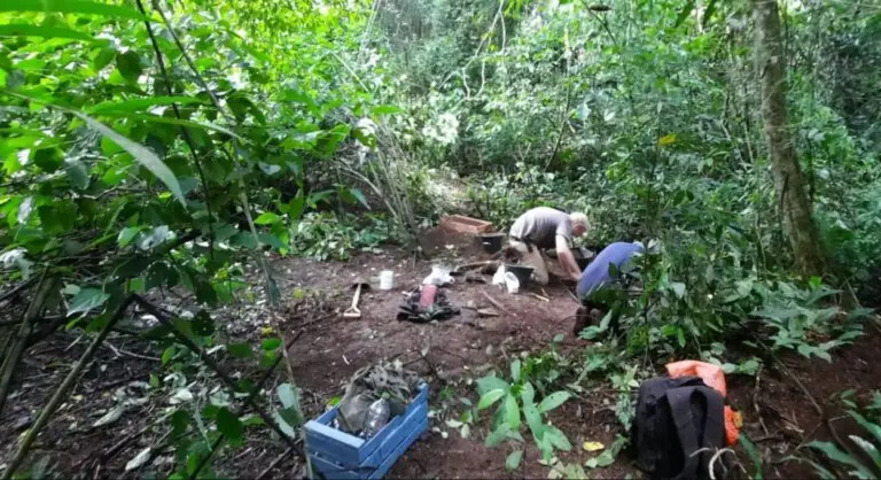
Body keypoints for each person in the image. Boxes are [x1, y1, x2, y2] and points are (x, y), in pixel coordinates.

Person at [573, 241, 644, 336]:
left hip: (582, 287)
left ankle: (587, 309)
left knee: (600, 287)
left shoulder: (615, 245)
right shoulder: (638, 255)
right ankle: (601, 316)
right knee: (628, 294)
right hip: (603, 293)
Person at [508, 207, 589, 285]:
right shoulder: (566, 222)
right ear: (579, 227)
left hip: (524, 238)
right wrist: (575, 274)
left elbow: (564, 253)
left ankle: (522, 265)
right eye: (581, 233)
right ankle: (510, 273)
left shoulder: (562, 218)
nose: (579, 236)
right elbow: (562, 251)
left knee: (548, 271)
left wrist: (573, 273)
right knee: (542, 279)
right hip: (522, 241)